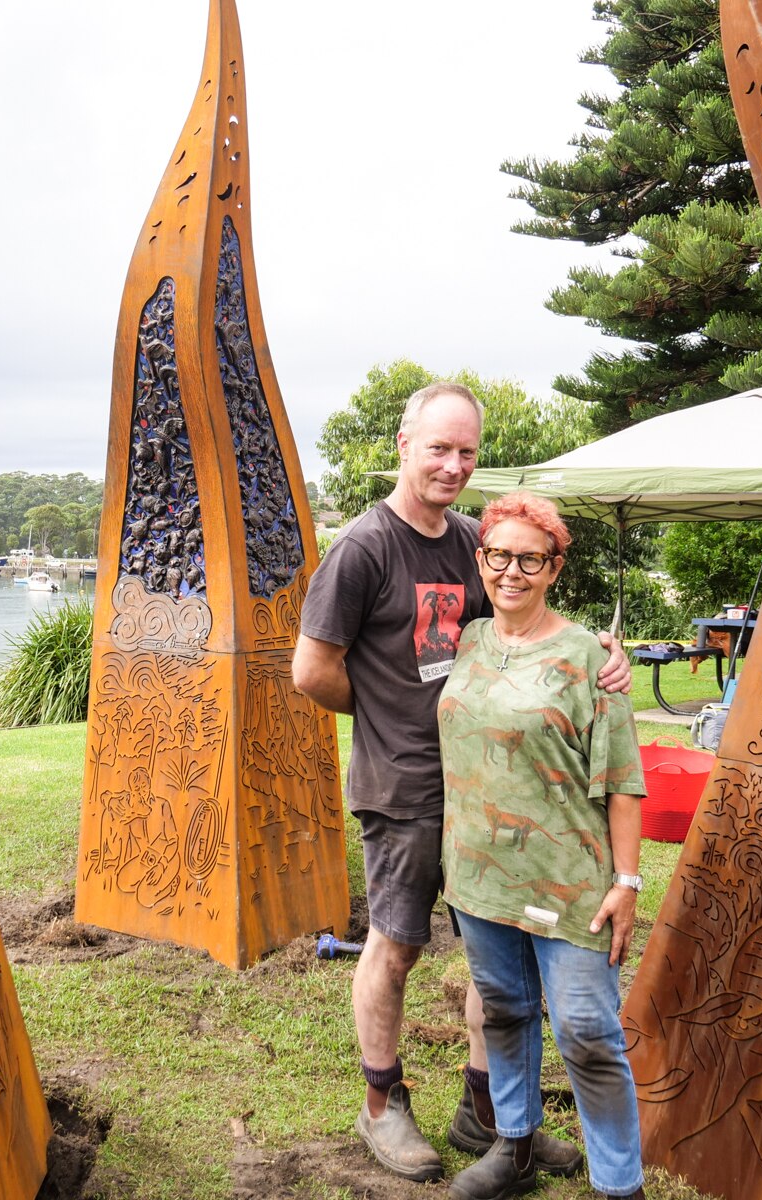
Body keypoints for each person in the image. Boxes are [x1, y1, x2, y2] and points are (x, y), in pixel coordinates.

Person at [293, 382, 630, 1182]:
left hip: (491, 790)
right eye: (438, 447)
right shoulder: (365, 549)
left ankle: (488, 1113)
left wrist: (601, 652)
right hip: (405, 788)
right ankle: (382, 1103)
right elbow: (311, 671)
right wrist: (389, 711)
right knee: (397, 946)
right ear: (404, 444)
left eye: (467, 451)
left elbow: (524, 613)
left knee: (500, 952)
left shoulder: (477, 541)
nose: (452, 465)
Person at [439, 491, 647, 1200]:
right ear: (482, 560)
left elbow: (623, 781)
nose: (513, 572)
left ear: (555, 568)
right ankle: (516, 1147)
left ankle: (620, 1185)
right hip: (478, 874)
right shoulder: (468, 639)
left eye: (531, 560)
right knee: (503, 1010)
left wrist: (627, 881)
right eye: (500, 556)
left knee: (587, 1031)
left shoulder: (590, 656)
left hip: (569, 880)